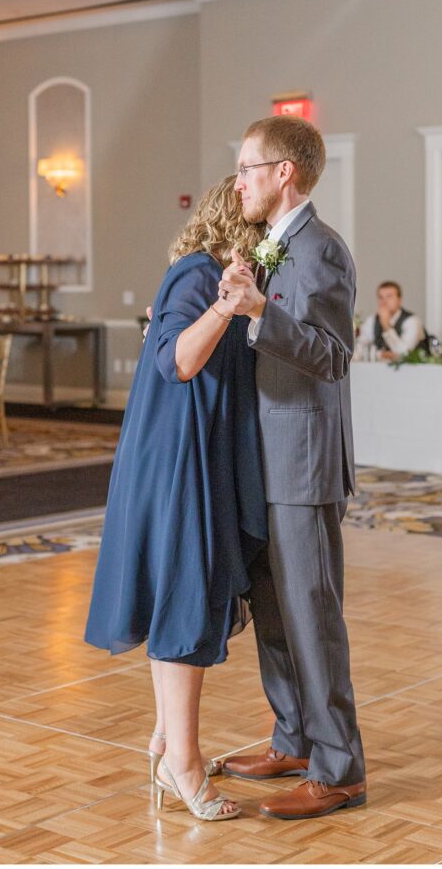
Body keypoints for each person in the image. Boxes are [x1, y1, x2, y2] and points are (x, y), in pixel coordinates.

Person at [84, 176, 268, 822]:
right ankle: (182, 761)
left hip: (202, 450)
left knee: (188, 593)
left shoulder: (221, 277)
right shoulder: (196, 276)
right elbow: (177, 364)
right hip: (178, 457)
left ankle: (170, 741)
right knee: (186, 596)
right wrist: (226, 307)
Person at [218, 115, 367, 821]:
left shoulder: (322, 250)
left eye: (248, 167)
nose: (238, 180)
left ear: (284, 173)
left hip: (304, 466)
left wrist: (257, 313)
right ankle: (295, 739)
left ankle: (340, 771)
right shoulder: (270, 247)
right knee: (275, 614)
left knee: (312, 618)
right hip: (263, 462)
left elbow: (334, 356)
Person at [358, 280, 426, 359]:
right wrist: (380, 354)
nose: (384, 302)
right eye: (381, 297)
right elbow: (360, 350)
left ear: (399, 300)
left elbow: (405, 353)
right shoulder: (372, 320)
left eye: (389, 297)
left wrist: (386, 326)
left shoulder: (412, 321)